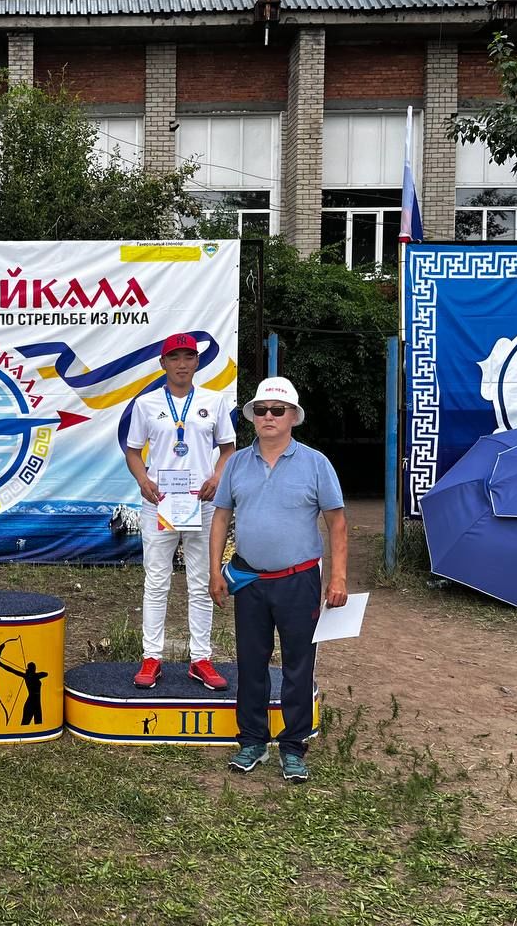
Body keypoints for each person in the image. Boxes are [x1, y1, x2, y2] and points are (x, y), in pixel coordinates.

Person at [208, 377, 348, 784]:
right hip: (250, 579)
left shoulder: (316, 463)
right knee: (251, 662)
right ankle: (252, 740)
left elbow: (337, 523)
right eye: (261, 409)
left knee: (298, 664)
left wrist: (338, 577)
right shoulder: (236, 463)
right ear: (253, 416)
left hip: (299, 580)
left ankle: (293, 746)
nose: (268, 416)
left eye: (277, 409)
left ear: (293, 417)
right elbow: (221, 517)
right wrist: (214, 570)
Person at [124, 333, 236, 691]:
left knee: (201, 581)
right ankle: (151, 657)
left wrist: (217, 477)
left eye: (189, 357)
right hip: (160, 502)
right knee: (157, 580)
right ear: (163, 363)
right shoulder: (146, 404)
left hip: (201, 503)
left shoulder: (214, 401)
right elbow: (132, 451)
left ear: (197, 362)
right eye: (175, 358)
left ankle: (200, 658)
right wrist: (143, 480)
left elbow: (228, 449)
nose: (182, 364)